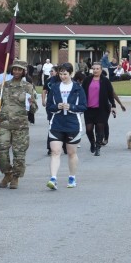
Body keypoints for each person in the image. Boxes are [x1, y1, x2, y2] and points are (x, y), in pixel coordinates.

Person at [0, 60, 38, 189]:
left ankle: (16, 177)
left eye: (20, 69)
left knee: (19, 154)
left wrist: (32, 102)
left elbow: (33, 109)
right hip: (4, 124)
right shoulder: (3, 86)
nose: (17, 71)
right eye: (15, 69)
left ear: (23, 71)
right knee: (1, 153)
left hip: (20, 126)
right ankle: (7, 173)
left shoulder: (27, 86)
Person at [45, 62, 87, 190]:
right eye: (61, 74)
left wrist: (71, 107)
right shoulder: (55, 87)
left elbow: (83, 106)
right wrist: (56, 107)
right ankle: (53, 179)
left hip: (72, 124)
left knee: (71, 153)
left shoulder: (78, 88)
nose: (63, 76)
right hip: (57, 123)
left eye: (65, 74)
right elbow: (49, 106)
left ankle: (72, 177)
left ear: (70, 74)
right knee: (55, 152)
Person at [82, 62, 117, 157]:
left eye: (97, 69)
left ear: (101, 70)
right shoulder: (87, 80)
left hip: (102, 109)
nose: (95, 70)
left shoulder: (105, 81)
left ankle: (98, 147)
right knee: (89, 129)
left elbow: (110, 94)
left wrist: (113, 106)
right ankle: (92, 143)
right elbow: (82, 93)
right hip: (89, 109)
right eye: (94, 68)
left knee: (100, 129)